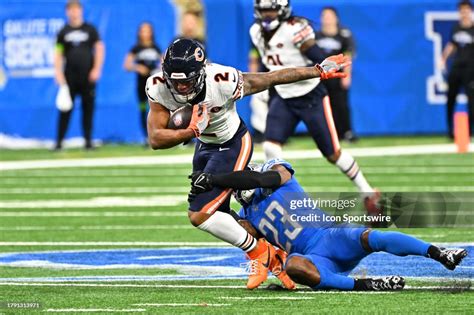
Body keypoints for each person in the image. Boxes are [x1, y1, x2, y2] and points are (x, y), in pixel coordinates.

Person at [145, 38, 349, 289]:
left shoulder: (222, 80)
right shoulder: (157, 86)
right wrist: (191, 132)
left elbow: (272, 77)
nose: (180, 86)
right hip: (204, 146)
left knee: (199, 214)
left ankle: (258, 252)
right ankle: (276, 260)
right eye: (175, 81)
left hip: (232, 143)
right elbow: (156, 139)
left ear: (201, 71)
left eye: (186, 79)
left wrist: (316, 71)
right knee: (222, 218)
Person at [189, 159, 468, 291]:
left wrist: (220, 178)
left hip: (330, 234)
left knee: (373, 236)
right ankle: (366, 284)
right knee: (293, 267)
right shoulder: (247, 215)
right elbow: (230, 225)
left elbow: (265, 180)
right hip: (311, 256)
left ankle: (438, 253)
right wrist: (208, 198)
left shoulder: (276, 173)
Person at [250, 0, 380, 212]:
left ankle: (367, 192)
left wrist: (326, 62)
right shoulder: (255, 31)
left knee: (333, 154)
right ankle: (279, 200)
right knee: (270, 146)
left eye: (271, 10)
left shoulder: (295, 28)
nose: (267, 15)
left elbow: (313, 51)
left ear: (282, 10)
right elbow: (270, 63)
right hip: (283, 95)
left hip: (310, 95)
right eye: (263, 11)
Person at [54, 0, 105, 150]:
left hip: (87, 76)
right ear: (67, 12)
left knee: (88, 109)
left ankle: (88, 142)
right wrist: (57, 72)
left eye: (76, 10)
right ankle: (59, 142)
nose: (74, 13)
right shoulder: (63, 31)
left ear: (81, 11)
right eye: (71, 10)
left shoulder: (90, 30)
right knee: (65, 109)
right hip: (69, 76)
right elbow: (58, 53)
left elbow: (99, 48)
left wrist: (97, 69)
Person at [315, 6, 357, 142]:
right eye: (324, 16)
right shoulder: (316, 36)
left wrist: (347, 75)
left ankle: (346, 132)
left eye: (329, 16)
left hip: (338, 76)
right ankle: (328, 134)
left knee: (341, 105)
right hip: (321, 77)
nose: (327, 20)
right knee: (323, 106)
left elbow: (348, 56)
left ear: (336, 18)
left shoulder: (344, 34)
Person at [439, 0, 474, 138]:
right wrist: (443, 58)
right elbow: (452, 45)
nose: (464, 13)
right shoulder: (456, 28)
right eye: (461, 10)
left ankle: (470, 131)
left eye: (466, 10)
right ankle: (450, 131)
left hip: (471, 70)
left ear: (470, 12)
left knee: (471, 101)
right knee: (450, 99)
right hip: (456, 68)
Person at [124, 22, 161, 144]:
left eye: (147, 30)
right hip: (141, 85)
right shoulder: (136, 49)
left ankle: (159, 134)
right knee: (143, 109)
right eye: (143, 30)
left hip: (155, 86)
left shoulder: (156, 48)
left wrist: (159, 69)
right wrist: (138, 67)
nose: (145, 33)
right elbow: (127, 65)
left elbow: (163, 63)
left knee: (157, 109)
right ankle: (147, 137)